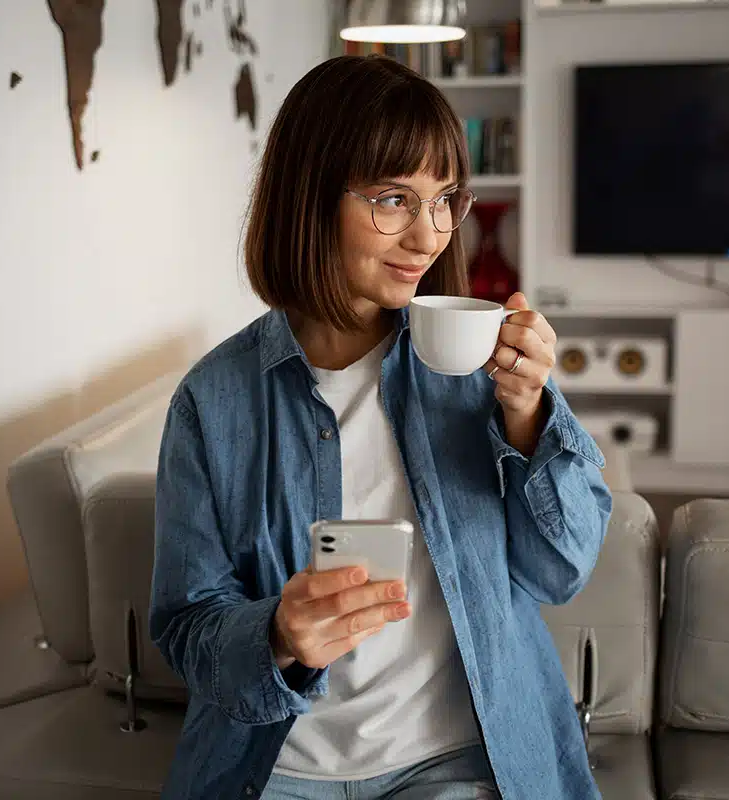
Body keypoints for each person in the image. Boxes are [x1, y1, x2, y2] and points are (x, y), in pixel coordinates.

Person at [150, 54, 612, 800]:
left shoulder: (479, 375)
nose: (428, 236)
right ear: (309, 199)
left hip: (454, 758)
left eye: (444, 200)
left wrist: (528, 416)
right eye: (393, 200)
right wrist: (277, 635)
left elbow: (560, 572)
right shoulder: (215, 401)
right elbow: (185, 626)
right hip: (276, 768)